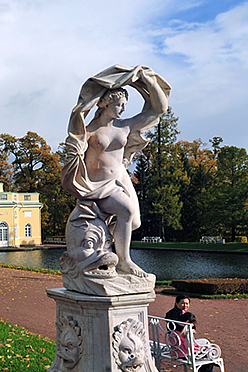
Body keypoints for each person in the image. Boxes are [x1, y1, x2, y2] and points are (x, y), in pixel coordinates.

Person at [62, 65, 171, 278]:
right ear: (104, 103)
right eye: (119, 105)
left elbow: (158, 110)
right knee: (126, 212)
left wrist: (145, 79)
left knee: (135, 222)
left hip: (119, 178)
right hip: (98, 185)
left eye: (124, 105)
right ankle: (124, 261)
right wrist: (74, 151)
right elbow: (76, 139)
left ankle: (106, 244)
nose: (122, 110)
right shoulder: (90, 129)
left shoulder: (125, 126)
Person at [165, 295, 216, 372]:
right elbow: (183, 333)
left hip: (177, 345)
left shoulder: (180, 314)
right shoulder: (174, 315)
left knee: (206, 345)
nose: (185, 305)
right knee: (209, 348)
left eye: (187, 303)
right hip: (182, 346)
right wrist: (190, 328)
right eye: (182, 303)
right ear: (176, 303)